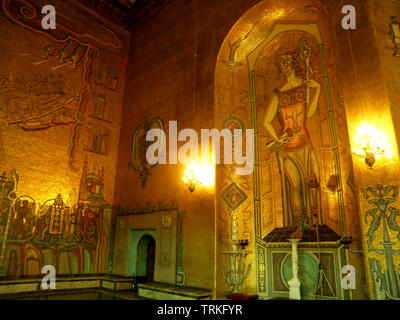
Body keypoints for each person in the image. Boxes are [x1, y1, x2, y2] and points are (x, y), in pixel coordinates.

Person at [263, 52, 322, 238]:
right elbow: (266, 122)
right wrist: (278, 139)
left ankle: (312, 220)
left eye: (288, 63)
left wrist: (318, 89)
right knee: (294, 185)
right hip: (287, 149)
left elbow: (310, 113)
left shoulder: (304, 86)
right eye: (282, 65)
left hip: (305, 143)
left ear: (293, 64)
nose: (286, 67)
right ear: (280, 69)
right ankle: (299, 224)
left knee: (313, 182)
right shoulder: (277, 94)